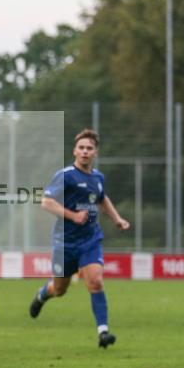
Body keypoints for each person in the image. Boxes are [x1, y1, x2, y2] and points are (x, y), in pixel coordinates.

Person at [29, 129, 131, 348]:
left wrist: (117, 219)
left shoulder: (97, 178)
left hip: (90, 240)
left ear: (95, 152)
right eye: (82, 148)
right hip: (64, 243)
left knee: (95, 281)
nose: (85, 151)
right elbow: (46, 202)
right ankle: (42, 295)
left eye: (89, 148)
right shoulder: (66, 175)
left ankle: (103, 332)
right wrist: (73, 215)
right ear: (75, 151)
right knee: (59, 290)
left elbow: (102, 200)